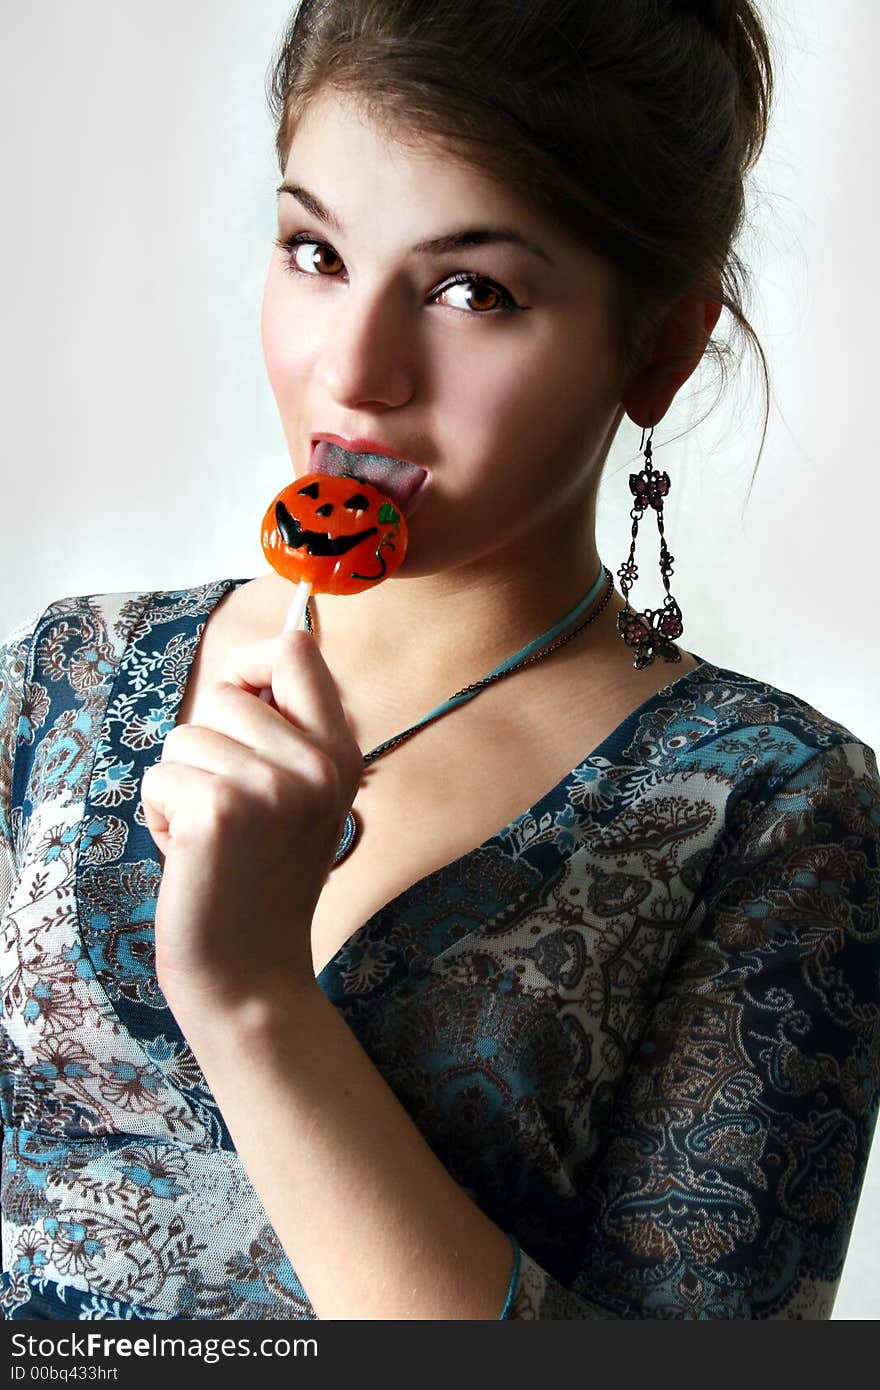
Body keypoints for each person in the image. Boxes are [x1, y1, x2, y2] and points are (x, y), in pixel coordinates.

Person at [1, 0, 878, 1321]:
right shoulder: (64, 674)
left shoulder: (771, 808)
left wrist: (253, 1002)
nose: (352, 373)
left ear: (659, 347)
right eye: (313, 252)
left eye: (472, 290)